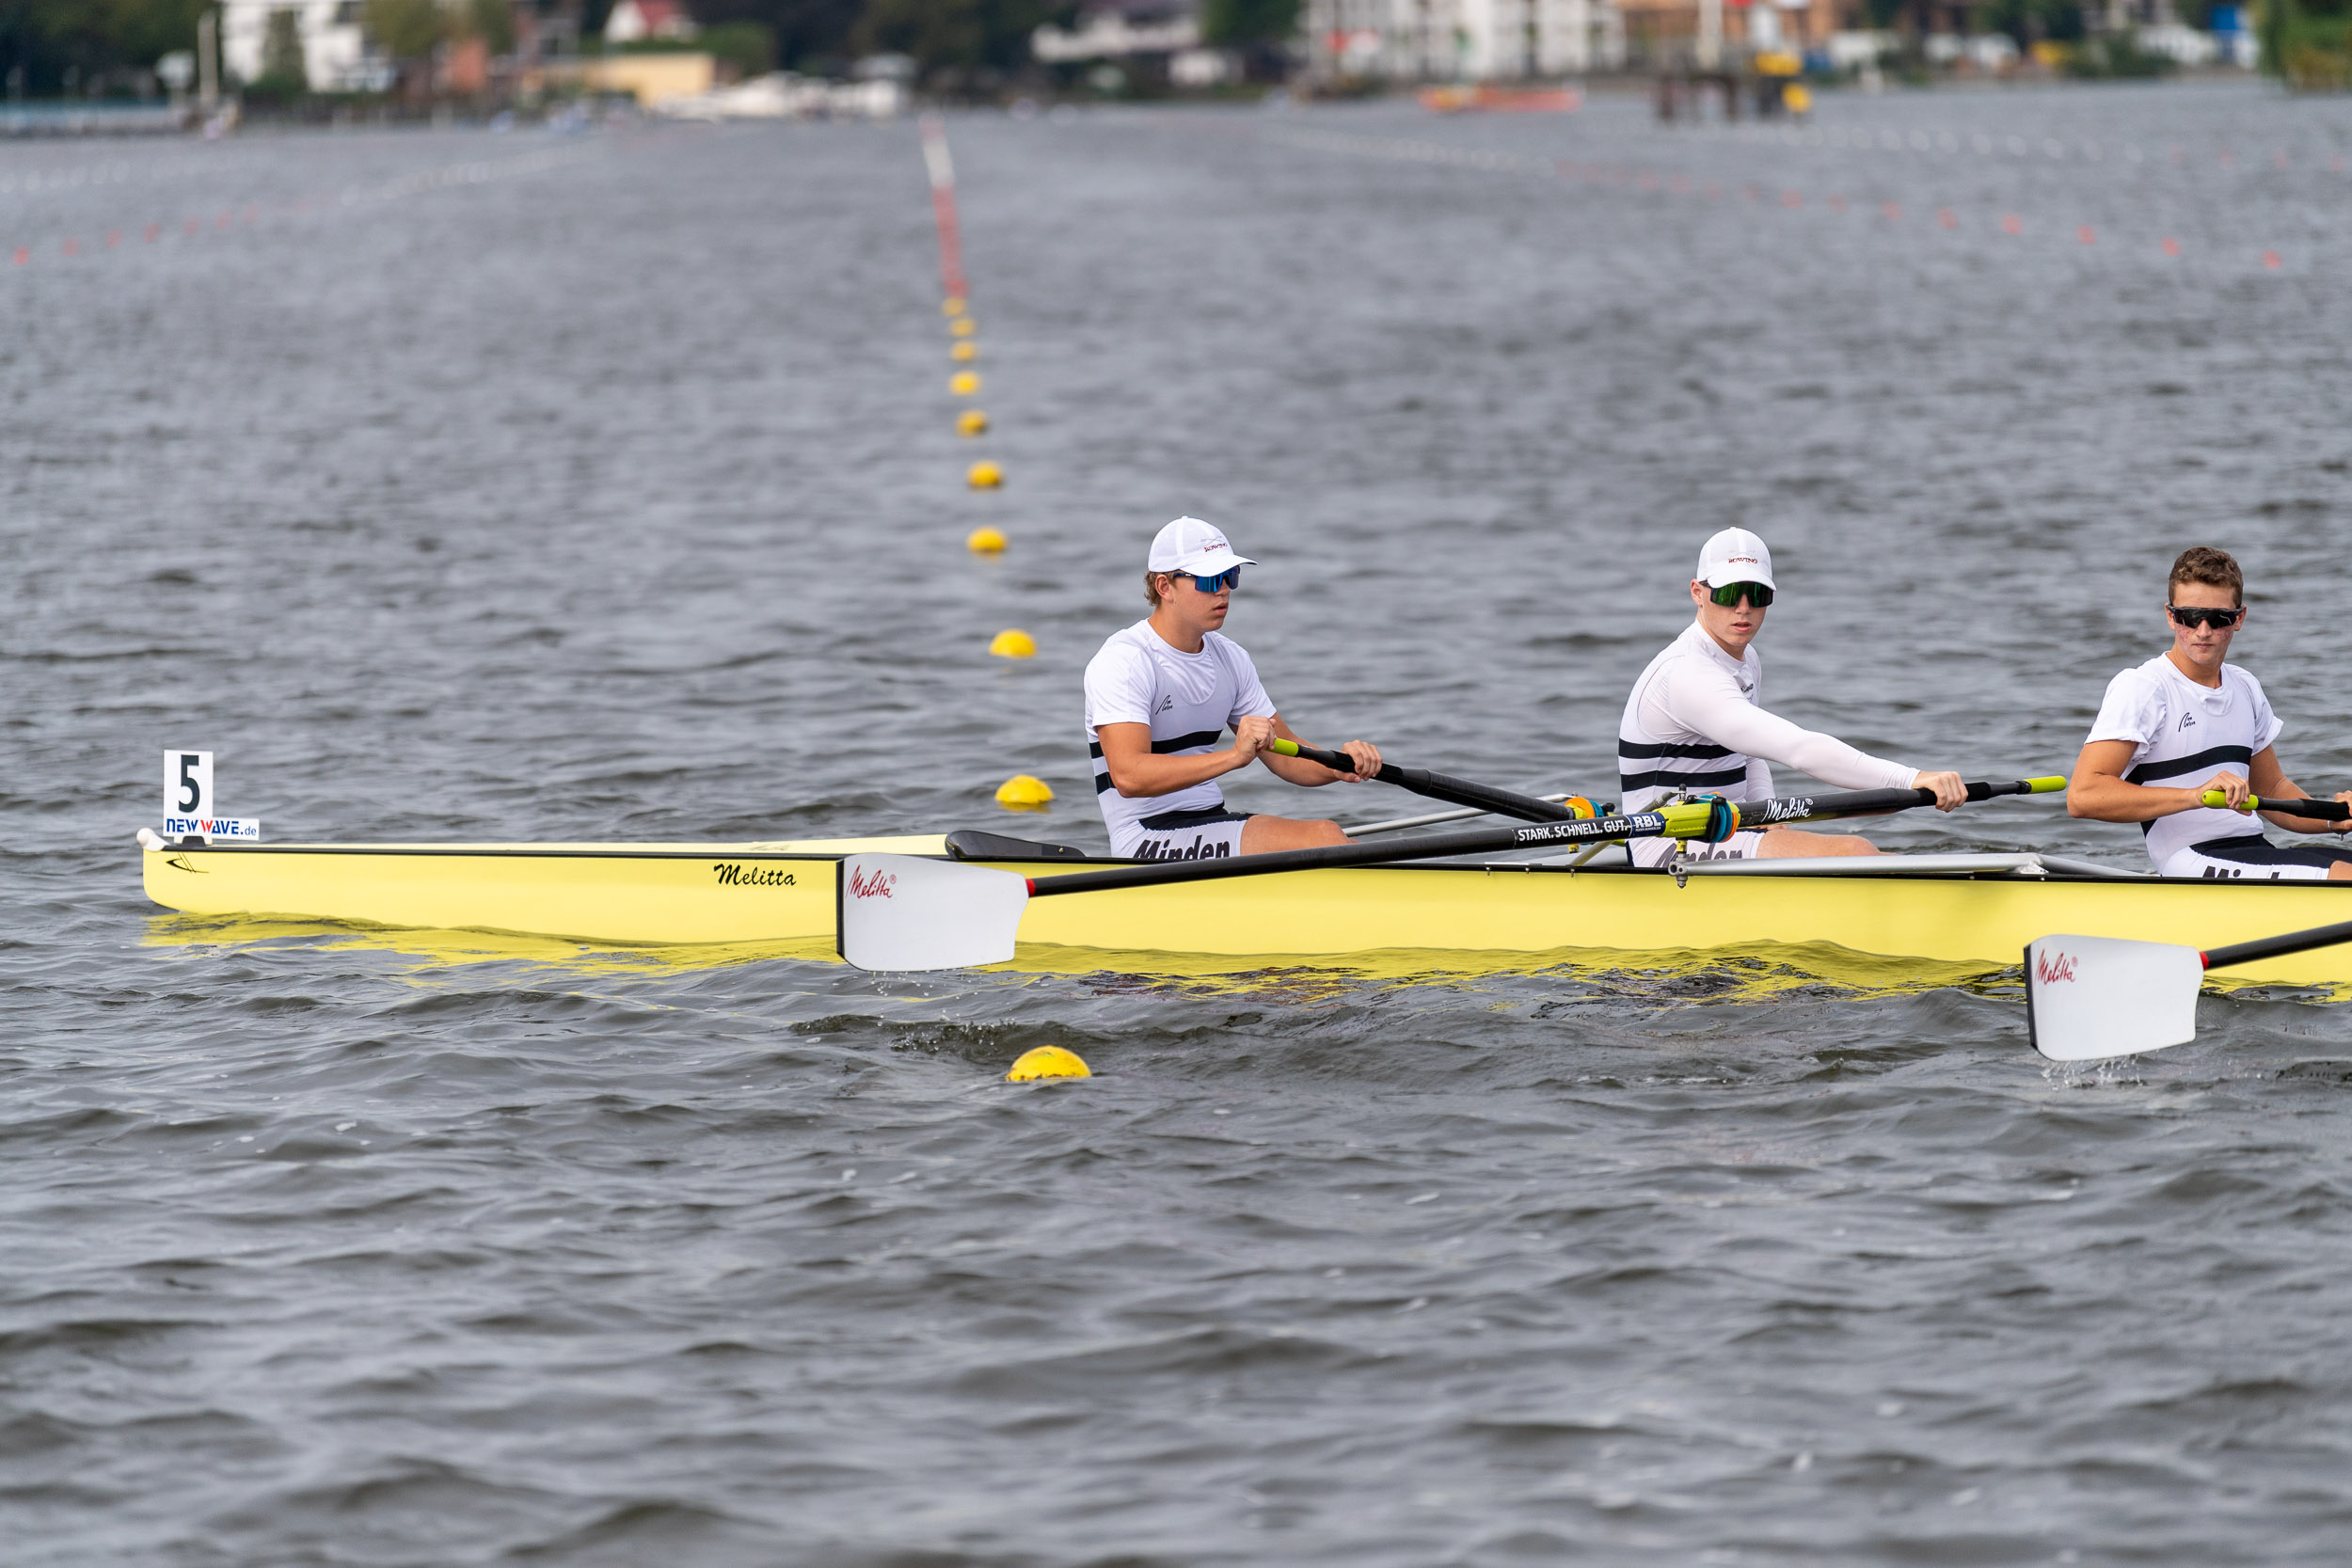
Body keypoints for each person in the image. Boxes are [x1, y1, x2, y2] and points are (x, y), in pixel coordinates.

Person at [1617, 528, 1966, 866]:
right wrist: (1909, 779)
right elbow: (1799, 750)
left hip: (1727, 828)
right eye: (1728, 594)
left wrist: (1767, 811)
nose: (1743, 608)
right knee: (1852, 850)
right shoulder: (1688, 673)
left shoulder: (1744, 659)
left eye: (1757, 595)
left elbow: (1749, 755)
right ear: (1697, 592)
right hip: (1667, 845)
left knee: (1861, 851)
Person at [1084, 517, 1382, 862]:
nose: (1223, 589)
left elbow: (1287, 756)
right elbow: (1129, 776)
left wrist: (1339, 764)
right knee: (1325, 836)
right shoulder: (1125, 661)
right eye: (1211, 579)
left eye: (1231, 577)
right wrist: (1234, 757)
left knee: (1345, 844)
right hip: (1145, 839)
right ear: (1165, 586)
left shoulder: (1230, 658)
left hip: (1208, 824)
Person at [2066, 545, 2352, 879]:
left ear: (2239, 618)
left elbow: (2272, 788)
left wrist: (2335, 818)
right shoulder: (2144, 688)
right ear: (2171, 616)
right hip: (2188, 859)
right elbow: (2083, 796)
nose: (2203, 631)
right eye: (2190, 617)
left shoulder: (2244, 686)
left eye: (2218, 619)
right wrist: (2195, 796)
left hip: (2252, 847)